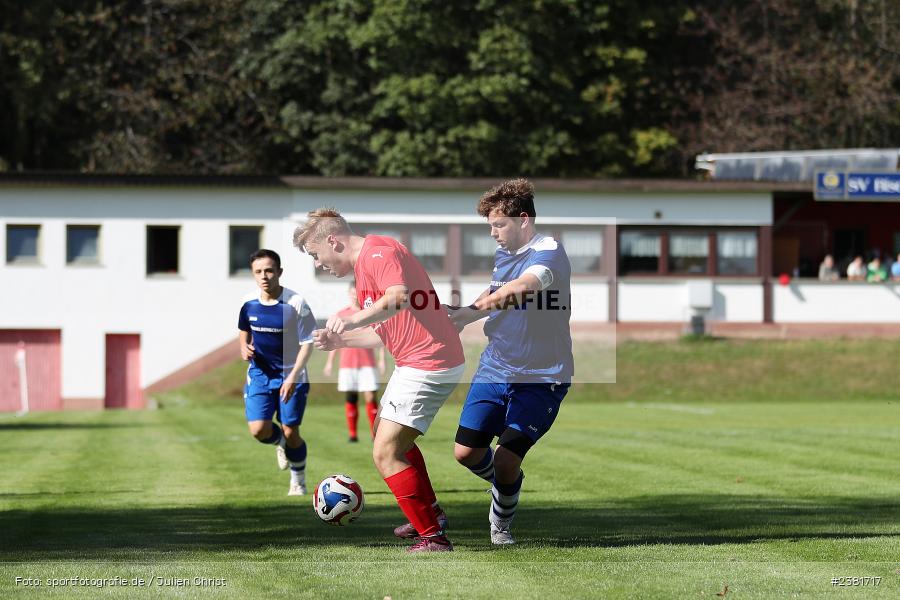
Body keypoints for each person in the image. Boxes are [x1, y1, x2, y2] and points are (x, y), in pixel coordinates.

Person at [294, 209, 465, 553]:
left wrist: (352, 320)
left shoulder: (378, 252)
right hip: (414, 361)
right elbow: (386, 332)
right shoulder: (364, 268)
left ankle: (433, 537)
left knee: (386, 452)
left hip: (429, 361)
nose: (317, 264)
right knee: (384, 437)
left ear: (333, 241)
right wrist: (341, 342)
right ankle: (431, 514)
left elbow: (398, 298)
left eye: (315, 255)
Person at [446, 178, 574, 546]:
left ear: (523, 220)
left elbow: (521, 288)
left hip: (542, 376)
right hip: (495, 367)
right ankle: (508, 484)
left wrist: (470, 312)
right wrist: (466, 315)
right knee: (465, 452)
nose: (494, 233)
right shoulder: (506, 253)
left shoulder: (548, 251)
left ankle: (500, 526)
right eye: (490, 227)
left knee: (505, 458)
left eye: (499, 225)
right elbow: (497, 287)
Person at [238, 249, 317, 496]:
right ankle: (280, 443)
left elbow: (308, 342)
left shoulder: (296, 303)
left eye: (269, 270)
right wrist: (243, 346)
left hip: (292, 376)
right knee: (258, 430)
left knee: (292, 430)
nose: (264, 276)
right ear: (253, 274)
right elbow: (244, 328)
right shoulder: (248, 303)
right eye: (258, 272)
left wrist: (293, 376)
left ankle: (298, 481)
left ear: (279, 272)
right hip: (259, 375)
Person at [323, 281, 387, 442]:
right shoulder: (341, 315)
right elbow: (335, 341)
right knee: (351, 397)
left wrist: (382, 360)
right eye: (352, 292)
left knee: (371, 397)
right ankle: (353, 434)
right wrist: (330, 362)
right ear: (348, 293)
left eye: (356, 292)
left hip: (367, 362)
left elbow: (379, 337)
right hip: (348, 363)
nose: (354, 295)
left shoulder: (369, 313)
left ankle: (375, 434)